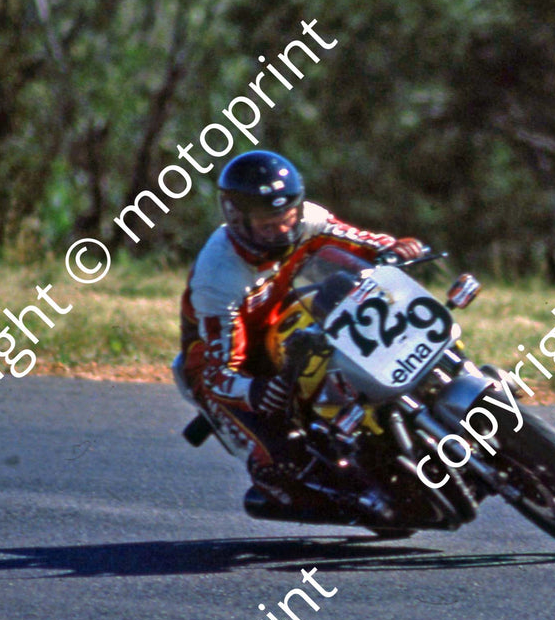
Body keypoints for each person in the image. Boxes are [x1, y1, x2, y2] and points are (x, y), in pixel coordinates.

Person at [178, 150, 428, 520]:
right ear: (237, 220)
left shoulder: (308, 219)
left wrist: (396, 248)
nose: (282, 230)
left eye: (287, 218)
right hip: (229, 364)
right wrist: (254, 391)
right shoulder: (218, 276)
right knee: (279, 459)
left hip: (290, 324)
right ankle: (325, 492)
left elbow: (365, 242)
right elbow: (218, 373)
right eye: (267, 225)